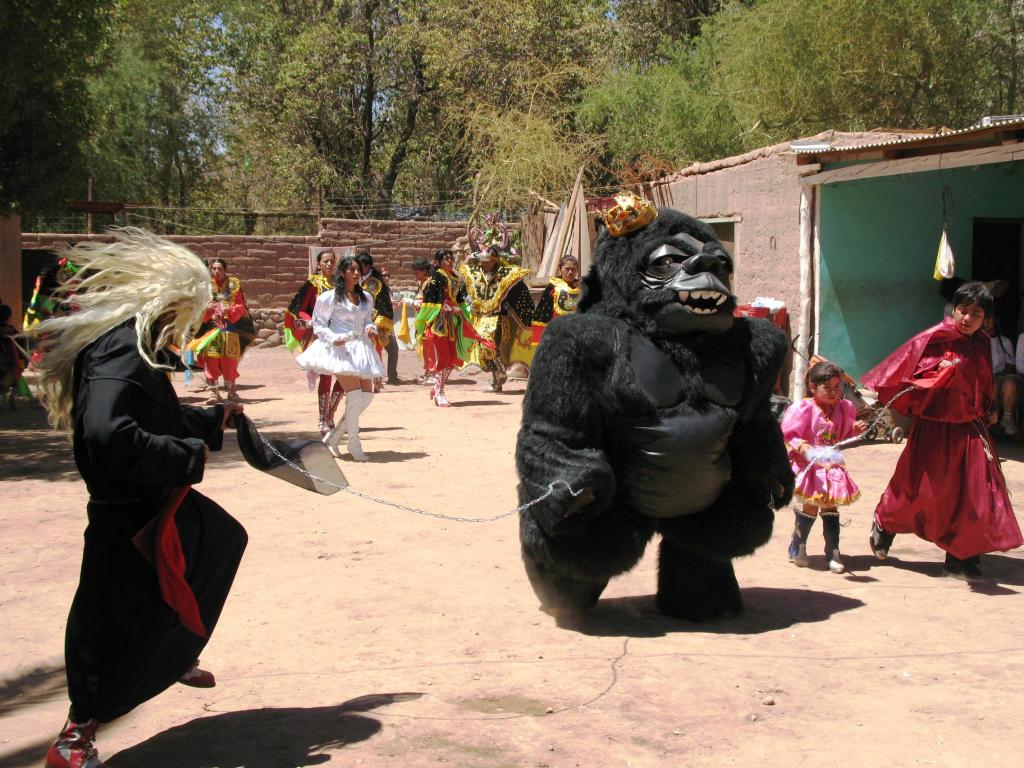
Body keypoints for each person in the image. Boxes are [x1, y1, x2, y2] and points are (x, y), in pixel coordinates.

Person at [22, 229, 248, 768]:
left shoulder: (132, 342)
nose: (180, 324)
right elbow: (106, 432)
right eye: (179, 311)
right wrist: (184, 455)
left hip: (152, 500)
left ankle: (173, 654)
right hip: (127, 510)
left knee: (218, 540)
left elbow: (150, 416)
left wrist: (210, 420)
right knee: (110, 616)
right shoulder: (121, 345)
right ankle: (75, 738)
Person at [863, 281, 1023, 580]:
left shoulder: (983, 343)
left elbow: (985, 377)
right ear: (954, 310)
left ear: (985, 318)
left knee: (973, 493)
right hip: (934, 427)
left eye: (976, 313)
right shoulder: (935, 339)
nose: (967, 318)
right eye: (963, 310)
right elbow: (907, 372)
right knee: (920, 489)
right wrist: (938, 371)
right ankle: (885, 523)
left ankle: (961, 554)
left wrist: (990, 407)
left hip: (970, 428)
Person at [780, 361, 865, 574]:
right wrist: (806, 449)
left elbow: (842, 436)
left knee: (830, 506)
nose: (833, 392)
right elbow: (791, 435)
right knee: (811, 505)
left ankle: (833, 551)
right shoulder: (803, 409)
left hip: (832, 465)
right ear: (812, 387)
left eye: (837, 387)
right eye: (827, 387)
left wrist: (854, 428)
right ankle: (798, 546)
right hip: (810, 466)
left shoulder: (844, 408)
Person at [296, 255, 383, 461]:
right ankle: (354, 443)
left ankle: (334, 438)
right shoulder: (329, 297)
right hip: (339, 349)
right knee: (354, 396)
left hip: (361, 349)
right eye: (351, 270)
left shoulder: (365, 298)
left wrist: (370, 328)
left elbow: (366, 320)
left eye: (358, 270)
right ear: (342, 273)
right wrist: (334, 339)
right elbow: (319, 324)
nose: (356, 273)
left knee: (366, 396)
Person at [414, 249, 493, 406]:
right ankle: (439, 393)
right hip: (439, 325)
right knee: (444, 359)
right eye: (446, 259)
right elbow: (432, 302)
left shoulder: (456, 277)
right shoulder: (436, 278)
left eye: (451, 258)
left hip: (453, 324)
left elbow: (461, 298)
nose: (450, 261)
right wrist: (451, 309)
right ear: (438, 262)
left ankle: (437, 387)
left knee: (451, 360)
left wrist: (470, 307)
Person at [458, 245, 535, 391]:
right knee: (484, 348)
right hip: (481, 319)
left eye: (488, 260)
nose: (485, 263)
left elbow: (520, 292)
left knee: (492, 345)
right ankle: (497, 380)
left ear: (496, 260)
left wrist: (508, 304)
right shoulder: (475, 274)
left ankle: (499, 372)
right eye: (483, 260)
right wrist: (469, 302)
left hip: (499, 319)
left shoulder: (506, 275)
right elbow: (463, 291)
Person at [284, 250, 342, 435]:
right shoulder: (312, 284)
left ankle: (331, 413)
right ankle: (322, 418)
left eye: (332, 261)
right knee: (326, 375)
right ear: (318, 264)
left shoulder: (341, 283)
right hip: (322, 336)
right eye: (325, 261)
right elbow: (299, 310)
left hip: (341, 335)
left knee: (344, 374)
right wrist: (313, 322)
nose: (329, 264)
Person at [194, 258, 254, 404]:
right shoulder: (206, 286)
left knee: (230, 361)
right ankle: (214, 393)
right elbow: (197, 307)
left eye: (220, 269)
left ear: (225, 270)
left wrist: (229, 311)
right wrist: (205, 310)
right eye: (214, 269)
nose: (216, 272)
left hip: (229, 328)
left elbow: (241, 305)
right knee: (211, 360)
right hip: (211, 329)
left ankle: (232, 392)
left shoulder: (233, 285)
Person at [355, 252, 399, 387]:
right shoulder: (356, 279)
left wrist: (381, 320)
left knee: (390, 348)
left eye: (360, 266)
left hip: (377, 321)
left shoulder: (376, 282)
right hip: (357, 321)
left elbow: (384, 302)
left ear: (367, 266)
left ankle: (389, 376)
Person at [531, 255, 582, 345]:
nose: (570, 272)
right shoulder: (553, 287)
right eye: (567, 269)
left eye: (573, 269)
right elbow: (543, 312)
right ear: (560, 268)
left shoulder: (581, 288)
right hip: (556, 335)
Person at [984, 314, 1019, 436]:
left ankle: (1007, 418)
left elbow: (1010, 365)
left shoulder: (1005, 342)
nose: (986, 321)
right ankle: (991, 418)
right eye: (984, 318)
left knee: (1010, 383)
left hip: (1000, 376)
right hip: (982, 378)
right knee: (992, 385)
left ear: (996, 321)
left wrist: (1001, 375)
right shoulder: (974, 341)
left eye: (990, 318)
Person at [0, 303, 28, 409]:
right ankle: (11, 396)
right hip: (10, 364)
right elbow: (21, 346)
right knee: (13, 380)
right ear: (8, 318)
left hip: (2, 364)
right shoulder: (12, 331)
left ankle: (3, 398)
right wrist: (23, 360)